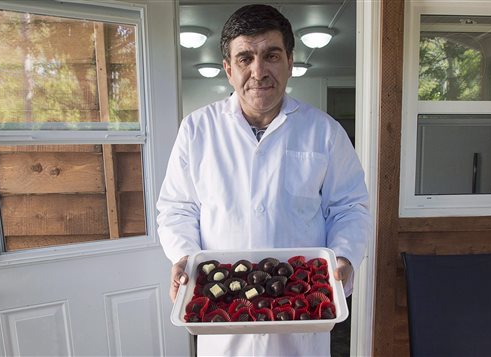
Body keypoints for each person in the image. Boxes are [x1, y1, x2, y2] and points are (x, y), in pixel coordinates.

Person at [157, 4, 371, 356]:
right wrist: (185, 257)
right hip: (221, 307)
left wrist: (344, 257)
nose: (258, 71)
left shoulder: (324, 132)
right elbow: (177, 208)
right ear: (228, 69)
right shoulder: (197, 130)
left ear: (289, 61)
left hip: (301, 309)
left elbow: (350, 206)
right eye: (245, 58)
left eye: (271, 55)